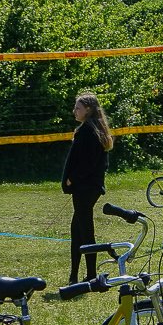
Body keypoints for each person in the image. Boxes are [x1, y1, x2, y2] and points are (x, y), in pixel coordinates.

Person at [62, 92, 113, 283]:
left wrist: (72, 179)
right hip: (88, 187)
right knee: (78, 229)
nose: (74, 111)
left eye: (78, 108)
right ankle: (75, 274)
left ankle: (91, 274)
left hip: (86, 188)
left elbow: (89, 163)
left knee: (84, 230)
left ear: (88, 110)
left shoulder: (89, 131)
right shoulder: (90, 129)